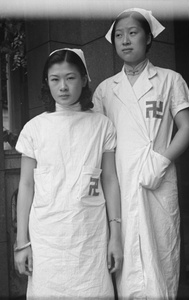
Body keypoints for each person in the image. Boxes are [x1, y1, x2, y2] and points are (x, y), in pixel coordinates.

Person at [93, 8, 189, 300]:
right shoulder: (104, 90)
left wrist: (160, 160)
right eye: (119, 35)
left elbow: (186, 128)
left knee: (161, 254)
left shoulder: (170, 80)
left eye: (133, 33)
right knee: (124, 261)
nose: (125, 40)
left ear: (148, 38)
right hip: (120, 182)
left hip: (157, 179)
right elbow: (99, 140)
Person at [14, 48, 123, 299]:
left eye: (70, 78)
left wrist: (115, 236)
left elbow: (110, 180)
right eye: (55, 79)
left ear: (84, 80)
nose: (63, 86)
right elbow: (27, 185)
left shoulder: (102, 125)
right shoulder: (34, 128)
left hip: (90, 239)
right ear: (47, 83)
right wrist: (22, 243)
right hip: (46, 242)